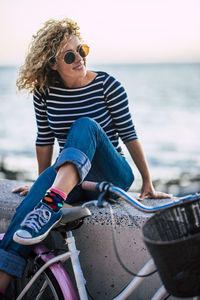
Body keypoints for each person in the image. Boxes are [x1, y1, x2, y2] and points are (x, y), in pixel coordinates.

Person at [0, 18, 171, 298]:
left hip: (112, 173)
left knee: (85, 125)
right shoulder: (44, 93)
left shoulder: (107, 86)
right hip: (70, 179)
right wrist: (40, 182)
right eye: (70, 55)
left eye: (82, 50)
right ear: (52, 63)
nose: (79, 58)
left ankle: (51, 201)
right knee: (27, 212)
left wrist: (147, 183)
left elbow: (130, 135)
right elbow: (44, 140)